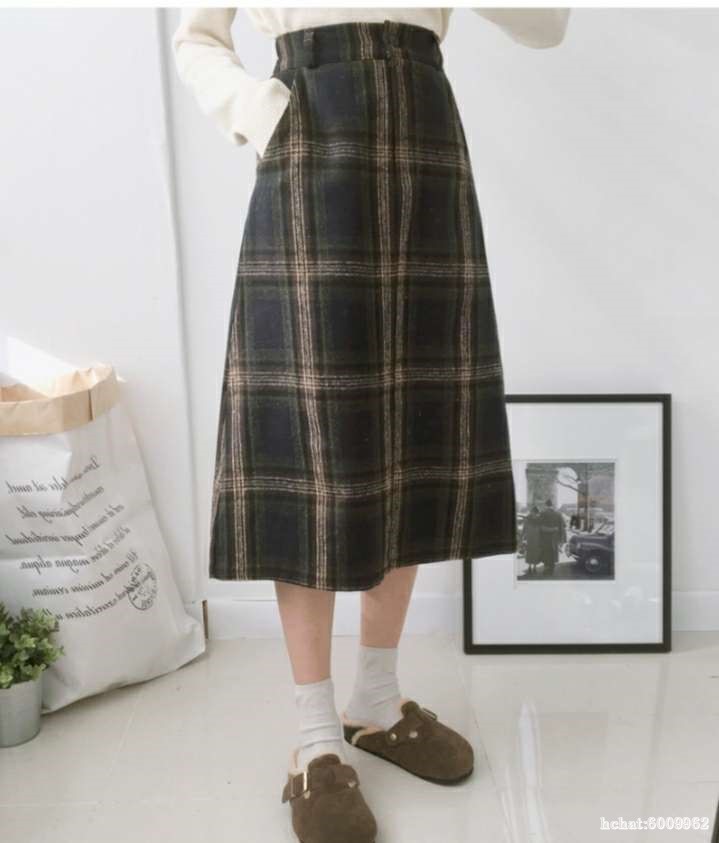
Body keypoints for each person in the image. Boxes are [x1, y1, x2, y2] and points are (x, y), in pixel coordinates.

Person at [172, 8, 570, 842]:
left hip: (425, 142)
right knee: (310, 439)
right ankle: (315, 735)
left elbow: (545, 27)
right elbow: (196, 37)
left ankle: (376, 700)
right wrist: (257, 109)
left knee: (414, 428)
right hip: (307, 133)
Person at [538, 497, 567, 576]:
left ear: (546, 505)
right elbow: (563, 526)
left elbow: (540, 527)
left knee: (546, 554)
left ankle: (546, 569)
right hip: (555, 538)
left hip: (545, 538)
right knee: (553, 554)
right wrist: (561, 539)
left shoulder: (542, 513)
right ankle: (551, 570)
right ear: (552, 505)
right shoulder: (558, 514)